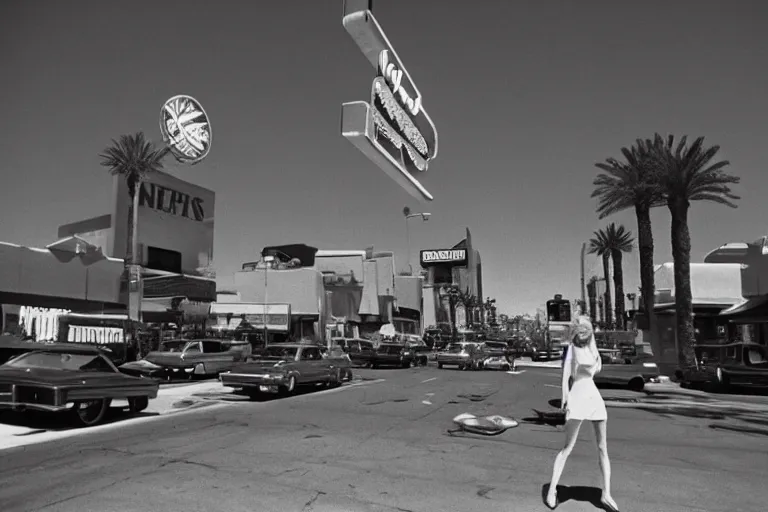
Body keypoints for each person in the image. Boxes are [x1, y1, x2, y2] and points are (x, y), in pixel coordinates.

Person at [544, 316, 619, 512]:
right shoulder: (572, 349)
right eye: (580, 328)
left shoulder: (593, 350)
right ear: (576, 331)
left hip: (594, 398)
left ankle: (606, 494)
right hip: (577, 397)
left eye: (586, 329)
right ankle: (552, 491)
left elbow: (596, 370)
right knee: (567, 447)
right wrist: (565, 401)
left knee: (603, 448)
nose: (583, 332)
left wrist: (593, 344)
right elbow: (565, 378)